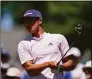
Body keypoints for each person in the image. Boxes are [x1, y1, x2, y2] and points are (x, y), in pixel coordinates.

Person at [17, 9, 78, 79]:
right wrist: (47, 64)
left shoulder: (58, 38)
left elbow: (71, 63)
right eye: (25, 22)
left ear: (40, 21)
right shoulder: (23, 44)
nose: (27, 24)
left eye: (30, 20)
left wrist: (60, 67)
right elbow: (30, 70)